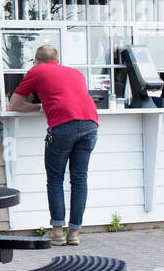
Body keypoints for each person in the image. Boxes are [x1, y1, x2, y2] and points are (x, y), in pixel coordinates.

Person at [7, 44, 98, 246]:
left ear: (36, 61)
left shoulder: (36, 71)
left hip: (63, 126)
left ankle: (57, 233)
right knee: (80, 179)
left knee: (56, 179)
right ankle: (74, 234)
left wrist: (39, 107)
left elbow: (14, 105)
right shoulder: (75, 73)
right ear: (56, 60)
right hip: (91, 123)